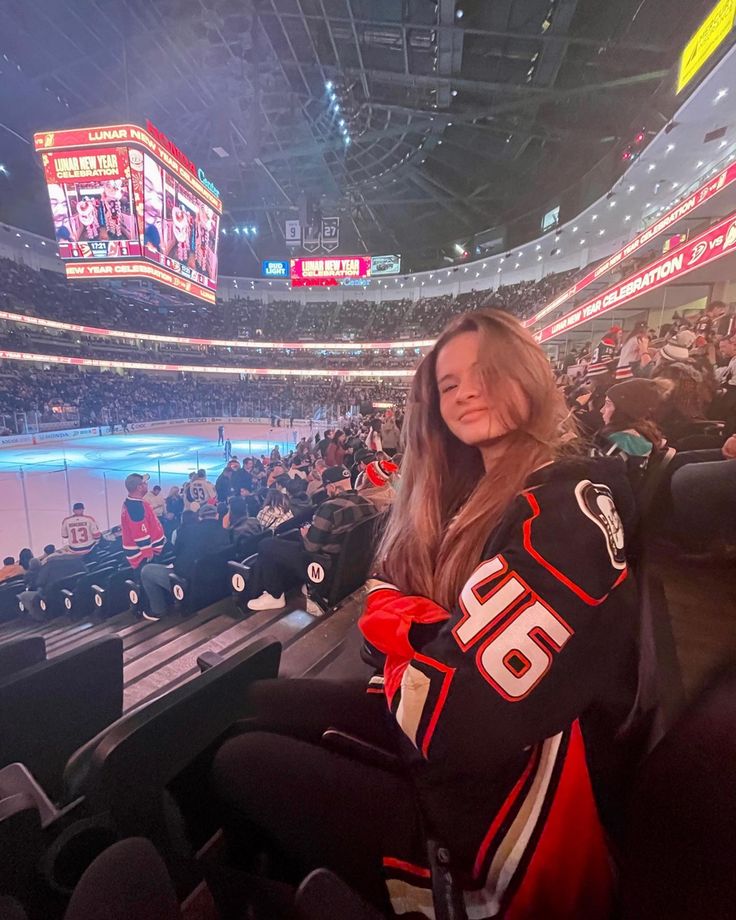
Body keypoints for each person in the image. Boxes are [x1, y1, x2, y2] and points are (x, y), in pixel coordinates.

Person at [212, 309, 642, 919]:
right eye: (448, 383)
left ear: (530, 374)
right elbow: (392, 594)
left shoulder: (568, 506)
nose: (466, 391)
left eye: (486, 372)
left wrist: (401, 628)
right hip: (454, 748)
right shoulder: (476, 492)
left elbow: (452, 715)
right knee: (252, 702)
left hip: (501, 817)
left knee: (240, 759)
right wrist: (421, 633)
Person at [245, 465, 375, 611]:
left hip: (325, 568)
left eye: (327, 488)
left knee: (267, 544)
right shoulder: (369, 504)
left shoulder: (329, 508)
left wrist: (305, 534)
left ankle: (274, 595)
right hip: (350, 567)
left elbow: (310, 547)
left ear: (331, 486)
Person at [139, 504, 231, 621]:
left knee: (146, 570)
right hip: (217, 585)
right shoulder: (226, 532)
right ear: (217, 516)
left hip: (189, 584)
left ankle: (158, 610)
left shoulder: (185, 531)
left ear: (200, 517)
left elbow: (176, 553)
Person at [121, 473, 165, 569]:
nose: (147, 485)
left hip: (148, 555)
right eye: (145, 483)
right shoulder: (135, 507)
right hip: (144, 559)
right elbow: (139, 534)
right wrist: (148, 554)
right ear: (139, 487)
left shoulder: (136, 502)